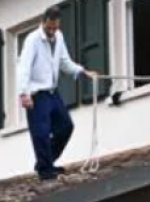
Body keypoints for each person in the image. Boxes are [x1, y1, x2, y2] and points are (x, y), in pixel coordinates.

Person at [17, 6, 98, 180]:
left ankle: (45, 162)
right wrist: (24, 94)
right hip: (36, 93)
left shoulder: (59, 37)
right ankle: (46, 171)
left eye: (55, 28)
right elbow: (23, 68)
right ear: (43, 22)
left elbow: (64, 62)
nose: (52, 31)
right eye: (49, 28)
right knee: (41, 132)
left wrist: (83, 71)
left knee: (65, 126)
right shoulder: (32, 40)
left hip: (52, 92)